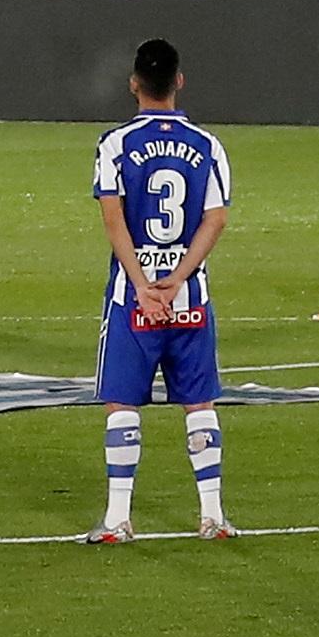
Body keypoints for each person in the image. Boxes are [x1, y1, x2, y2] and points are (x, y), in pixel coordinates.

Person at [87, 39, 238, 544]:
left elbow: (114, 221)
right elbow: (216, 218)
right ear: (179, 81)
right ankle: (212, 516)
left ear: (133, 84)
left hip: (134, 298)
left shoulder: (115, 145)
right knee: (199, 402)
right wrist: (178, 278)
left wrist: (143, 285)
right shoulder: (208, 146)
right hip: (189, 295)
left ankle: (118, 518)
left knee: (122, 403)